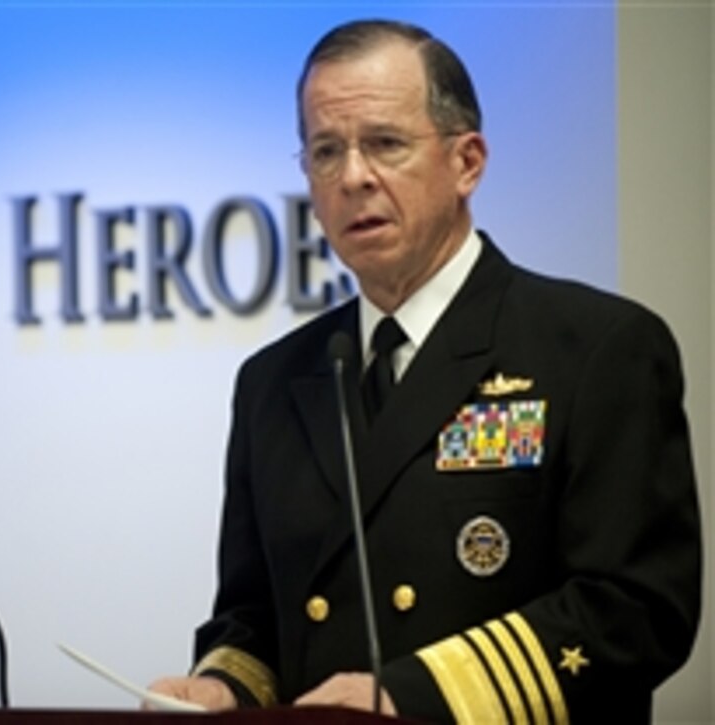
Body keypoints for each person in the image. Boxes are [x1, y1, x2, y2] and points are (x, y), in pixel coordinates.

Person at [149, 18, 702, 724]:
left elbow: (638, 607)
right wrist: (223, 686)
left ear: (467, 161)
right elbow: (252, 614)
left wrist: (414, 694)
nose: (352, 177)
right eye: (325, 151)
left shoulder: (597, 346)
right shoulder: (273, 381)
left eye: (384, 143)